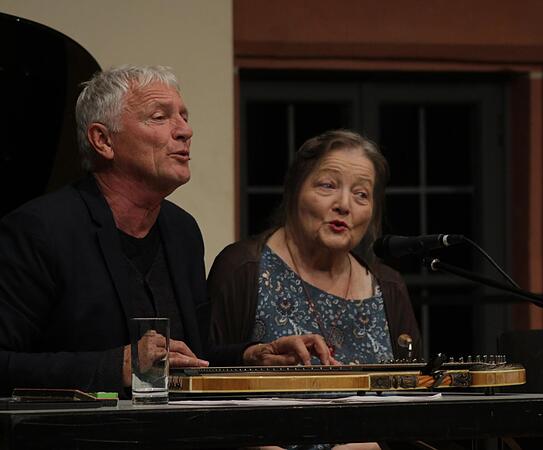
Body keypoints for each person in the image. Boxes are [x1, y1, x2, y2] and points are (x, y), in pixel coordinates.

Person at [0, 65, 318, 397]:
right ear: (103, 140)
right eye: (159, 117)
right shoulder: (40, 230)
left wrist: (250, 356)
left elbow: (189, 358)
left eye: (184, 116)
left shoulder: (183, 231)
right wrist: (114, 366)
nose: (185, 131)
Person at [208, 129, 421, 367]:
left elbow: (415, 385)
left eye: (361, 194)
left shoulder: (388, 288)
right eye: (328, 185)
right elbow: (202, 367)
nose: (344, 205)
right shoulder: (243, 268)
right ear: (295, 190)